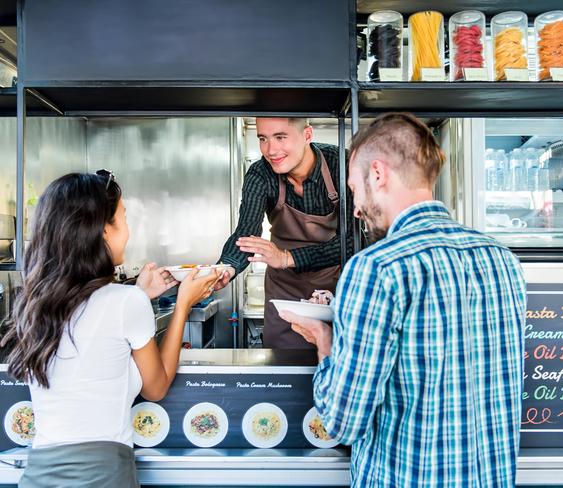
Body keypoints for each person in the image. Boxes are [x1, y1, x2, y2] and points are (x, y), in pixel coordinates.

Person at [282, 113, 527, 487]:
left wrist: (324, 342)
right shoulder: (502, 259)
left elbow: (342, 421)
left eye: (355, 189)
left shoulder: (377, 268)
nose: (358, 207)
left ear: (378, 174)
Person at [0, 171, 219, 487]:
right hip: (102, 477)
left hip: (39, 475)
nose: (128, 231)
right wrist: (183, 304)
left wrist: (140, 294)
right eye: (124, 219)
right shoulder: (125, 302)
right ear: (103, 230)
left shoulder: (35, 304)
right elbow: (155, 388)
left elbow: (96, 332)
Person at [214, 117, 353, 348]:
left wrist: (288, 258)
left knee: (337, 357)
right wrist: (225, 268)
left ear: (307, 135)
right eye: (263, 139)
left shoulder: (343, 164)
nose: (271, 150)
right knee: (282, 365)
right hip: (284, 292)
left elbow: (353, 243)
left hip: (335, 290)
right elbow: (247, 231)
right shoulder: (261, 173)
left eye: (280, 137)